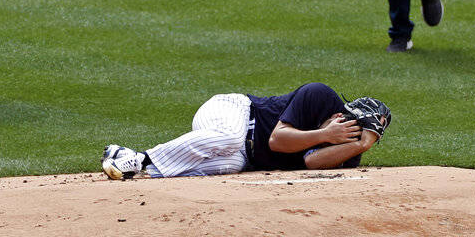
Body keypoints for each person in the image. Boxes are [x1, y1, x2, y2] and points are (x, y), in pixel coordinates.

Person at [100, 82, 391, 179]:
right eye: (357, 131)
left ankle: (135, 167)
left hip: (245, 156)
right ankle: (140, 157)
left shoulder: (350, 147)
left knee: (231, 163)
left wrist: (358, 147)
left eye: (365, 138)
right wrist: (326, 135)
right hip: (235, 113)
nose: (355, 138)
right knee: (230, 137)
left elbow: (310, 162)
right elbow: (277, 141)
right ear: (345, 115)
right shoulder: (320, 95)